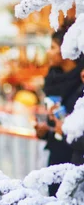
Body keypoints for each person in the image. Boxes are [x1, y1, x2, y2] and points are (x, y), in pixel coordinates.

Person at [35, 20, 84, 191]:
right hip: (56, 157)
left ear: (67, 50)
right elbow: (57, 118)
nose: (48, 52)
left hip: (75, 160)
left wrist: (65, 128)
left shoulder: (81, 83)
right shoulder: (53, 80)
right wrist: (46, 131)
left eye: (53, 47)